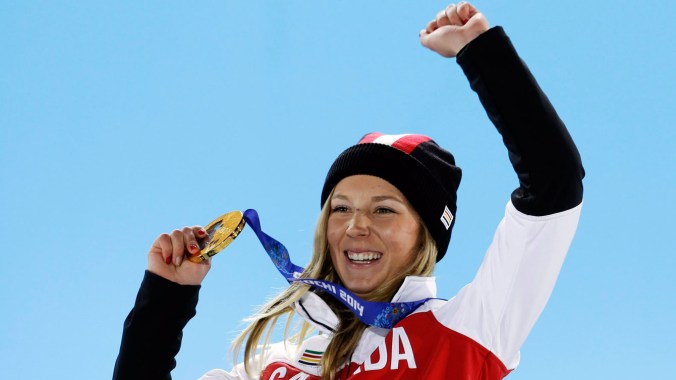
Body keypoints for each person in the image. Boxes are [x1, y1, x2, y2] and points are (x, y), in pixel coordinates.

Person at [113, 2, 585, 379]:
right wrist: (166, 299)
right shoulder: (277, 364)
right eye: (340, 208)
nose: (356, 225)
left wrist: (479, 51)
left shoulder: (470, 328)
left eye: (384, 210)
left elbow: (554, 182)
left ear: (426, 234)